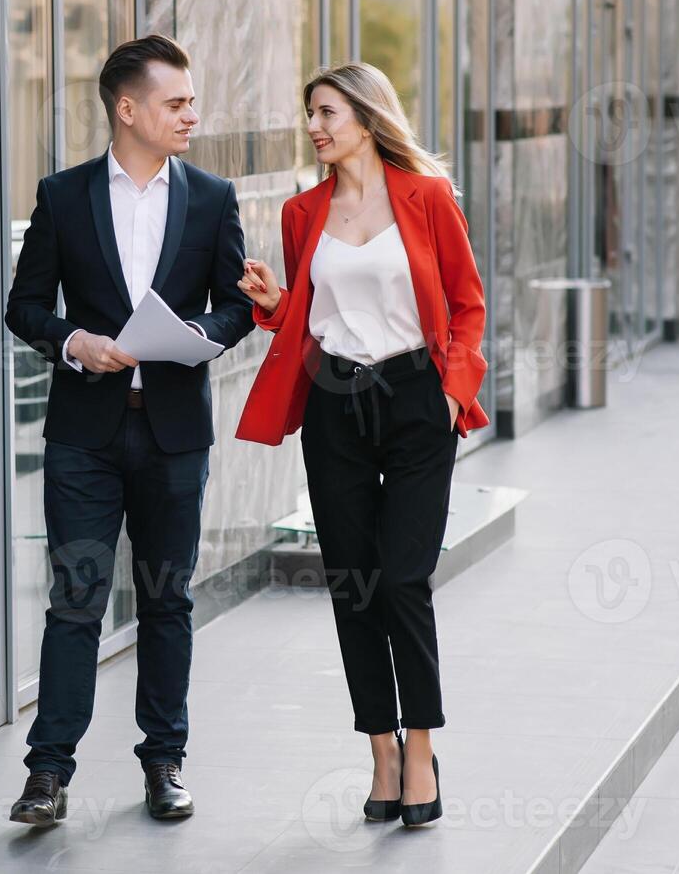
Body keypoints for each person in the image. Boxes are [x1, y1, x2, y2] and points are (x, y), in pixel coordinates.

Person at [4, 33, 254, 825]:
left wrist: (199, 335)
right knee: (74, 599)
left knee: (165, 600)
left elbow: (237, 304)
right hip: (85, 433)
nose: (190, 114)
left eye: (189, 100)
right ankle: (47, 775)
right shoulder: (64, 194)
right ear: (127, 108)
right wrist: (74, 342)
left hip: (175, 431)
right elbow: (26, 306)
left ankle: (163, 762)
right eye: (175, 102)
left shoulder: (212, 197)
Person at [236, 63, 489, 827]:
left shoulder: (427, 197)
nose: (314, 127)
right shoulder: (301, 210)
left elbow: (468, 304)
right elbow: (314, 311)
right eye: (309, 113)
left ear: (367, 116)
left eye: (327, 112)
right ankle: (378, 747)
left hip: (415, 399)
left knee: (403, 579)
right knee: (353, 580)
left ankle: (420, 749)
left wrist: (448, 395)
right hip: (335, 405)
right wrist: (277, 305)